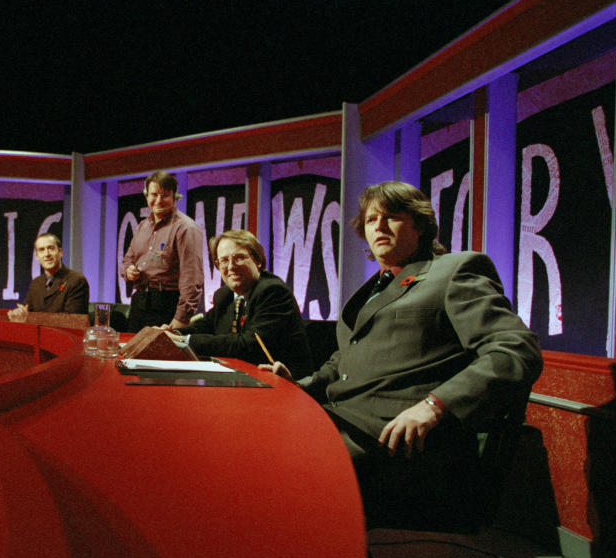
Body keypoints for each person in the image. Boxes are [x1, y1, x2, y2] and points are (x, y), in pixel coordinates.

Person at [263, 181, 543, 527]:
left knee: (273, 472)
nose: (378, 227)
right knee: (248, 445)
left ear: (420, 224)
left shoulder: (454, 270)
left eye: (391, 217)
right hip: (340, 420)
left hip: (395, 439)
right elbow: (346, 359)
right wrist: (300, 384)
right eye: (370, 220)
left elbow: (516, 349)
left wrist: (434, 405)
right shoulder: (375, 287)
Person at [162, 229, 312, 378]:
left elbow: (248, 345)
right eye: (224, 260)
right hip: (242, 376)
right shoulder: (224, 294)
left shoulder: (273, 292)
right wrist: (171, 334)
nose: (231, 266)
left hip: (283, 382)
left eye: (239, 258)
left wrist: (184, 341)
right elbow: (207, 325)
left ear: (257, 260)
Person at [121, 170, 205, 333]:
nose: (159, 200)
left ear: (174, 197)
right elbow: (127, 260)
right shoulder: (142, 226)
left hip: (167, 304)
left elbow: (192, 277)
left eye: (165, 195)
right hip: (139, 303)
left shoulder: (186, 228)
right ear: (146, 196)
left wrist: (181, 318)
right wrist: (128, 271)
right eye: (154, 194)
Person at [8, 233, 89, 322]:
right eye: (41, 250)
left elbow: (72, 321)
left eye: (51, 248)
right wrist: (19, 314)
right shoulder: (36, 283)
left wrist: (29, 319)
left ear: (60, 252)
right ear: (37, 256)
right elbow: (26, 311)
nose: (47, 254)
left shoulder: (76, 280)